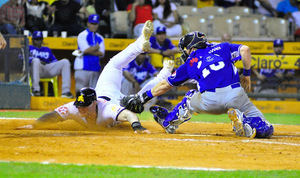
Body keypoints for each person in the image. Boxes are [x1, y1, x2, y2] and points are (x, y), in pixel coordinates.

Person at [18, 21, 174, 133]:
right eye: (80, 106)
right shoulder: (76, 107)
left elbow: (129, 114)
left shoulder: (107, 110)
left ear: (94, 103)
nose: (81, 110)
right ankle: (165, 73)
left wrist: (137, 127)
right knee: (141, 98)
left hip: (113, 97)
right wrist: (35, 125)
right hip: (105, 91)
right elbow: (54, 115)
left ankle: (140, 45)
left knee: (113, 64)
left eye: (85, 106)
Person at [121, 31, 274, 138]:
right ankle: (247, 122)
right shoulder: (223, 47)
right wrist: (246, 75)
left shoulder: (190, 63)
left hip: (211, 101)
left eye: (185, 49)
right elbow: (245, 50)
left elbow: (165, 85)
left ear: (192, 47)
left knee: (190, 97)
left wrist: (144, 98)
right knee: (267, 128)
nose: (185, 52)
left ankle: (169, 122)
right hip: (236, 95)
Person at [29, 31, 73, 98]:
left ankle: (66, 92)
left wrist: (49, 63)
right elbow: (22, 59)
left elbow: (54, 61)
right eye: (36, 39)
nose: (38, 41)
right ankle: (35, 90)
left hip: (47, 68)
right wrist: (36, 60)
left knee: (65, 62)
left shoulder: (47, 49)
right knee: (36, 60)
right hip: (35, 69)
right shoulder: (29, 48)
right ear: (32, 40)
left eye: (40, 39)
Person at [74, 14, 105, 97]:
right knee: (80, 94)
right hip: (82, 67)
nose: (94, 26)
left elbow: (102, 53)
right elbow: (85, 50)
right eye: (92, 23)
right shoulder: (82, 35)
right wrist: (96, 48)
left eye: (95, 24)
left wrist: (90, 50)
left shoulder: (100, 37)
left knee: (93, 96)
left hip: (95, 68)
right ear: (88, 24)